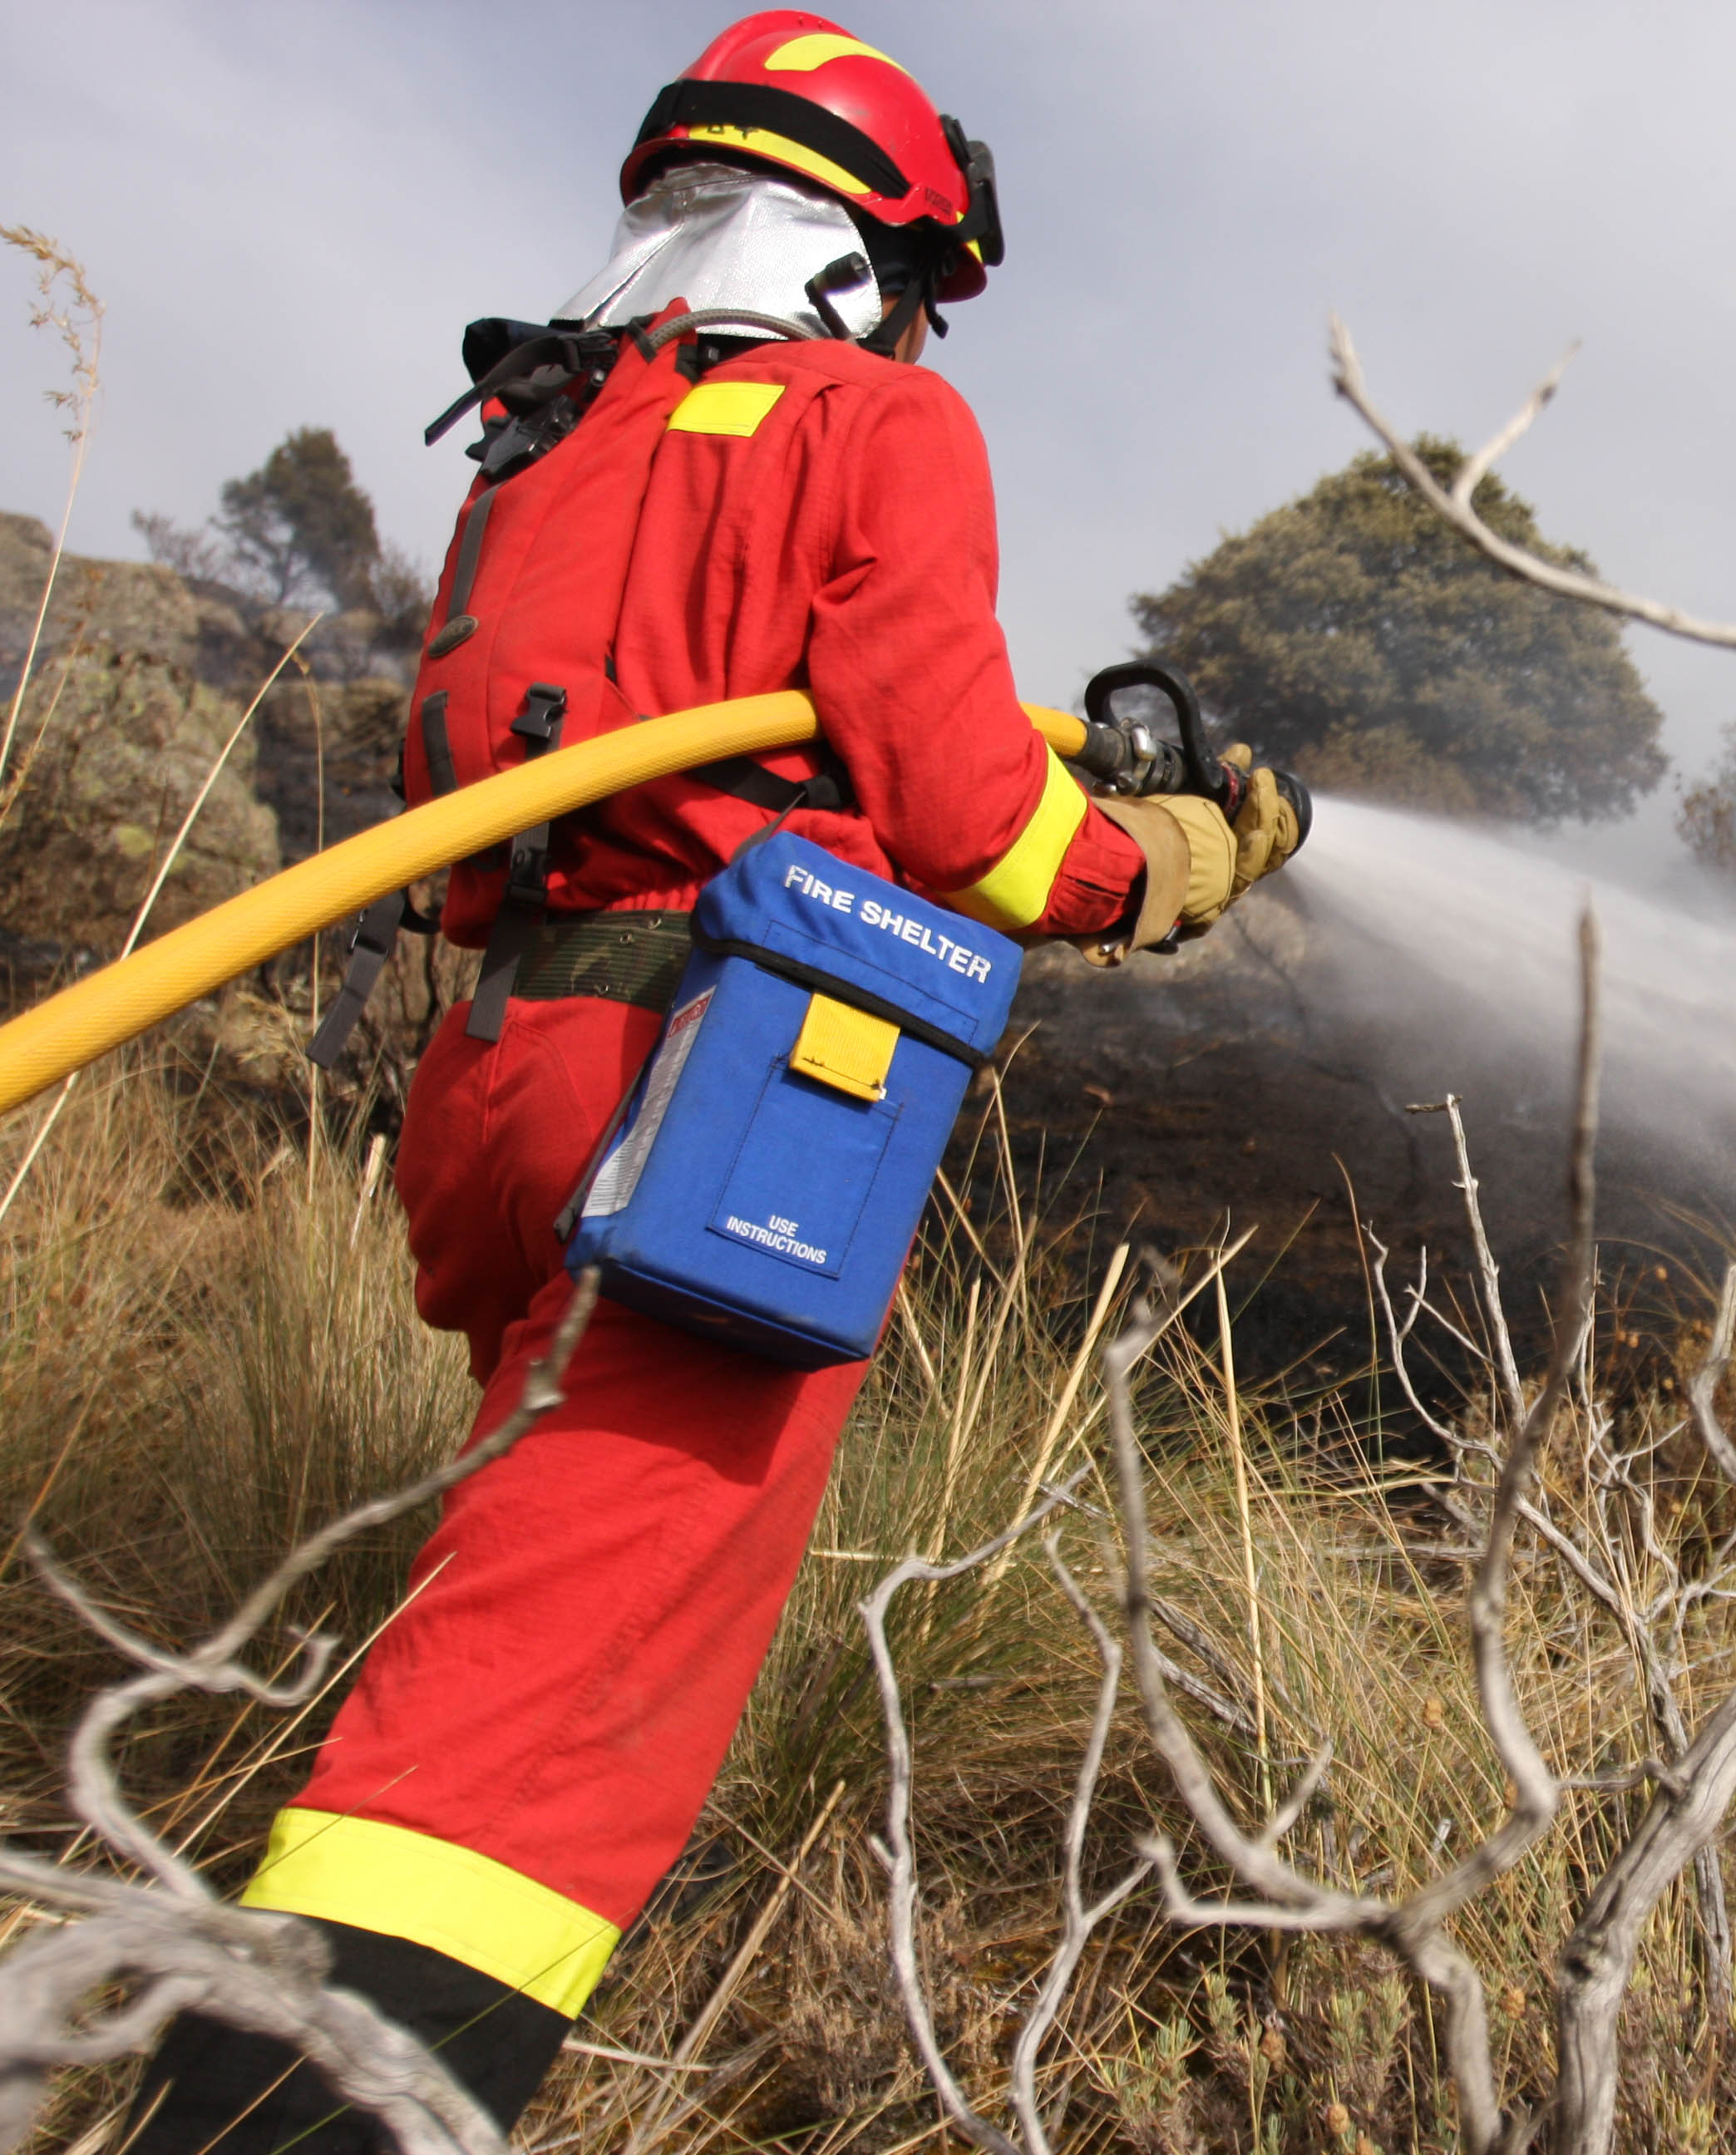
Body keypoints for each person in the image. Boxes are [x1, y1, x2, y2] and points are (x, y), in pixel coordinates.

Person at [126, 15, 1297, 2148]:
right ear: (872, 257)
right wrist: (1166, 865)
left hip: (503, 1082)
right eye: (925, 296)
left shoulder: (546, 442)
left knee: (509, 1594)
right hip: (706, 1111)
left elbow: (680, 730)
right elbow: (973, 819)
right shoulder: (877, 421)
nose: (926, 338)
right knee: (539, 1729)